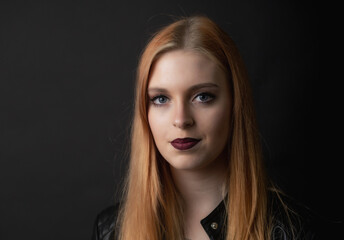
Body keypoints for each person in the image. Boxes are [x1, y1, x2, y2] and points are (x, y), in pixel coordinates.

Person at [92, 15, 315, 240]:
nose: (181, 120)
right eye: (161, 99)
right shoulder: (111, 230)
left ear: (235, 104)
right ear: (144, 111)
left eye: (202, 96)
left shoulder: (290, 230)